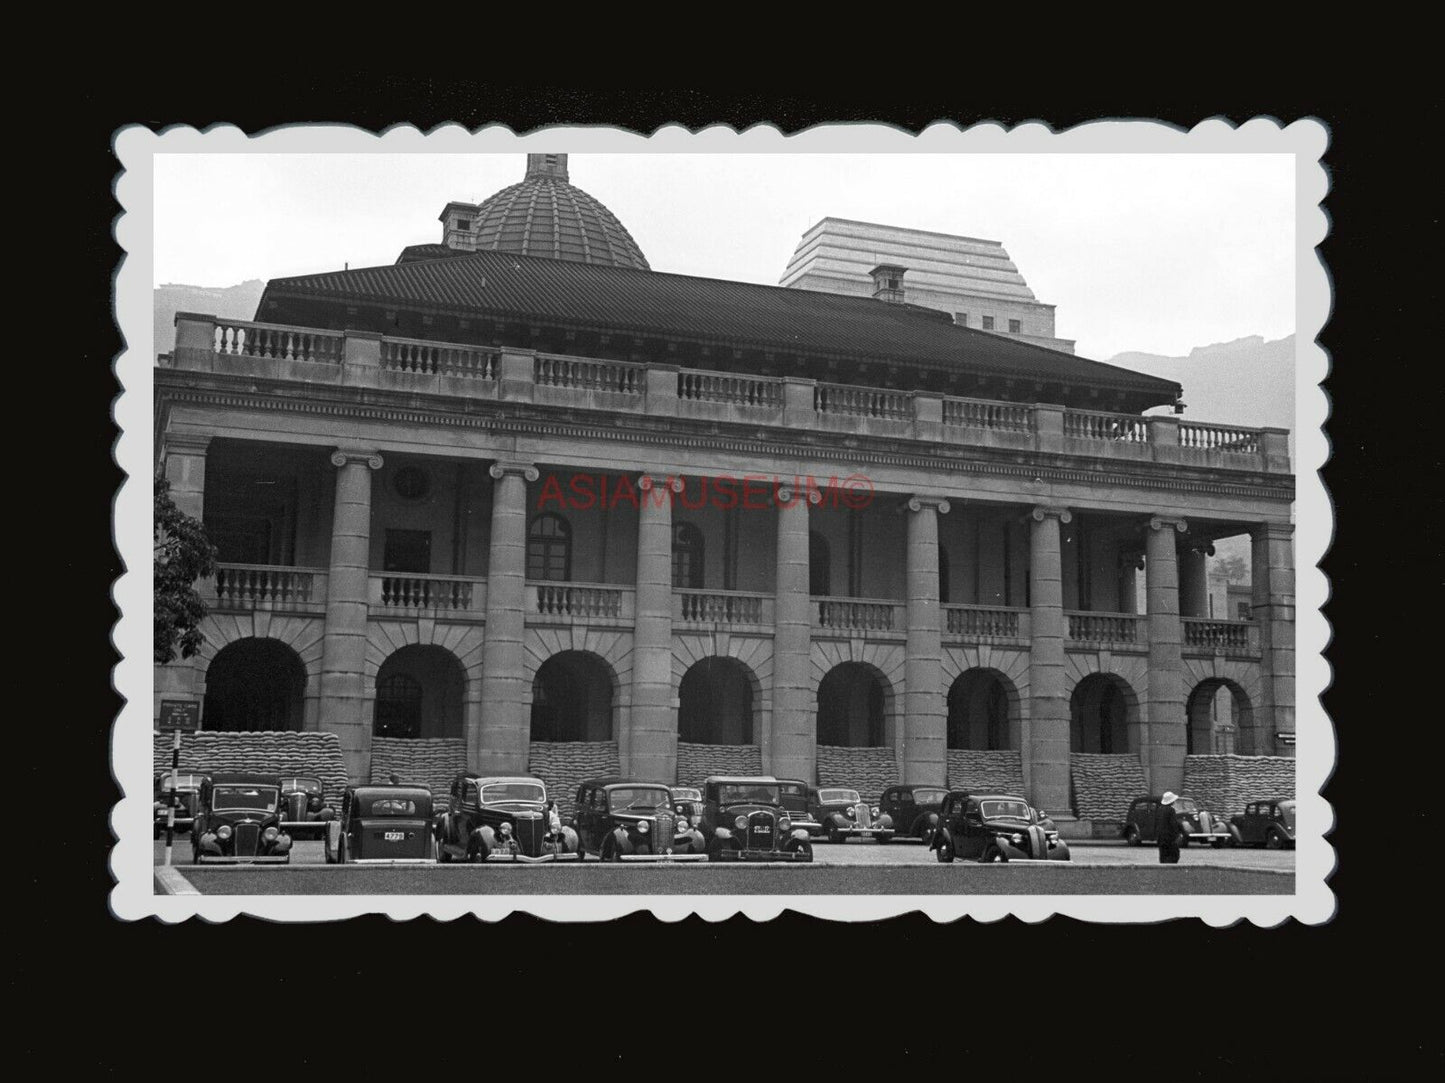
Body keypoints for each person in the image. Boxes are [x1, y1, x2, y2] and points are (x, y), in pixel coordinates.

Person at [1155, 791, 1183, 864]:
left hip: (1160, 836)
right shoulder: (1171, 810)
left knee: (1163, 855)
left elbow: (1157, 823)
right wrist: (1177, 834)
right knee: (1174, 855)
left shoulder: (1159, 810)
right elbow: (1173, 824)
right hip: (1169, 837)